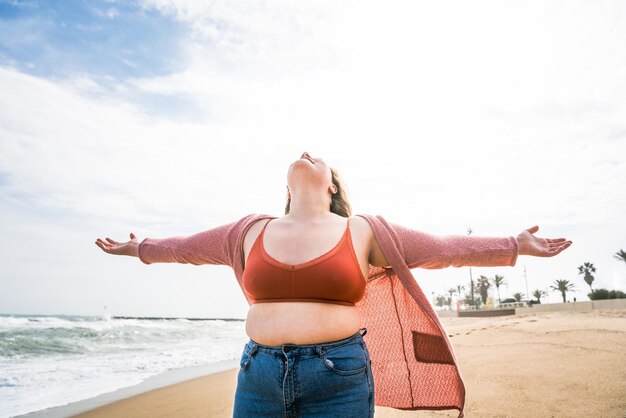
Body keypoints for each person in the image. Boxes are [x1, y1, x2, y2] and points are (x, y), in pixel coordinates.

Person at [95, 151, 572, 418]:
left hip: (338, 375)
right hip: (257, 376)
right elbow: (187, 247)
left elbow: (441, 247)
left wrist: (514, 243)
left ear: (332, 187)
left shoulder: (362, 230)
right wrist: (139, 248)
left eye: (317, 156)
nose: (305, 152)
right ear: (286, 189)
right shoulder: (248, 231)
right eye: (300, 154)